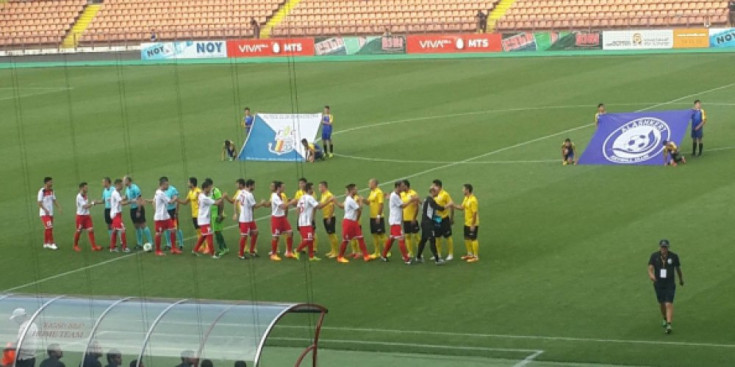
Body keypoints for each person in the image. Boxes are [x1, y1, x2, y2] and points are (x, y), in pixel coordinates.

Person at [647, 239, 684, 334]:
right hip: (658, 283)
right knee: (662, 303)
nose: (664, 248)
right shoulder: (654, 256)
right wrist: (651, 276)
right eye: (662, 247)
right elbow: (650, 268)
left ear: (668, 247)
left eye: (665, 247)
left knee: (668, 303)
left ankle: (669, 324)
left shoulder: (673, 256)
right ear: (660, 247)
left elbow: (678, 269)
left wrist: (680, 279)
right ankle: (664, 317)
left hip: (670, 283)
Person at [334, 184, 372, 263]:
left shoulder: (350, 199)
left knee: (360, 238)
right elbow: (359, 208)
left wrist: (356, 220)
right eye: (355, 189)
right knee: (346, 240)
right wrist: (361, 201)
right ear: (351, 191)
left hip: (353, 222)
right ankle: (340, 257)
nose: (357, 191)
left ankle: (366, 255)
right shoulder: (349, 200)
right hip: (348, 222)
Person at [382, 181, 418, 264]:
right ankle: (406, 258)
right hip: (395, 221)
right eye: (402, 186)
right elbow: (403, 206)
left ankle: (383, 255)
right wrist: (411, 200)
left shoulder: (396, 195)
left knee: (391, 238)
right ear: (398, 187)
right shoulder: (395, 196)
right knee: (401, 238)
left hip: (395, 220)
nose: (404, 188)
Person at [228, 179, 265, 259]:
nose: (254, 187)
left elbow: (235, 201)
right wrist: (262, 203)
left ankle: (251, 251)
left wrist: (235, 213)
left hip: (250, 219)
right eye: (254, 185)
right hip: (245, 219)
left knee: (255, 232)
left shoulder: (241, 192)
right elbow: (255, 206)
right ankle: (241, 254)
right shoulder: (249, 195)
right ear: (250, 185)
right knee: (244, 236)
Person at [295, 182, 331, 261]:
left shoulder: (302, 197)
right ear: (309, 189)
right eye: (312, 188)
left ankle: (311, 256)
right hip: (305, 222)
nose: (313, 190)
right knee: (308, 239)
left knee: (311, 239)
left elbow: (297, 209)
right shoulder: (309, 197)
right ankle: (297, 250)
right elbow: (319, 207)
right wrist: (329, 201)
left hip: (303, 221)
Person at [192, 180, 226, 259]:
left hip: (202, 219)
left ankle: (195, 250)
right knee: (209, 235)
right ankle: (212, 254)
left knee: (203, 236)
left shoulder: (201, 195)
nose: (211, 189)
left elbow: (207, 195)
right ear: (205, 188)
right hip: (204, 220)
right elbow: (217, 203)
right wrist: (223, 197)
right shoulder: (204, 198)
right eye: (209, 188)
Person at [147, 177, 180, 256]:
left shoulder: (158, 192)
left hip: (166, 216)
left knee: (173, 230)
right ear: (162, 185)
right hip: (160, 217)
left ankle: (173, 248)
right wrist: (175, 198)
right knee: (158, 233)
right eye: (166, 184)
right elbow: (170, 202)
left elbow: (154, 201)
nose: (168, 186)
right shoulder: (161, 194)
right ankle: (158, 251)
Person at [415, 186, 445, 265]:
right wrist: (448, 205)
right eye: (436, 191)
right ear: (432, 192)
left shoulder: (425, 199)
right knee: (432, 240)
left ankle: (418, 257)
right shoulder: (431, 200)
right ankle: (437, 259)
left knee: (423, 240)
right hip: (428, 223)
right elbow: (440, 208)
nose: (438, 193)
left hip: (424, 222)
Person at [451, 184, 480, 263]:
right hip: (467, 222)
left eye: (463, 189)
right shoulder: (466, 198)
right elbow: (462, 207)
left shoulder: (473, 200)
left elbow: (474, 213)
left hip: (472, 223)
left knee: (473, 238)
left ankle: (475, 256)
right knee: (467, 238)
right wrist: (453, 205)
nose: (462, 190)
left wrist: (473, 224)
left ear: (467, 190)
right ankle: (470, 254)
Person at [290, 178, 319, 252]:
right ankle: (301, 249)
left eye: (302, 183)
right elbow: (297, 205)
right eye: (300, 183)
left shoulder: (310, 194)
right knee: (306, 235)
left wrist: (313, 216)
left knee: (311, 234)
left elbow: (313, 206)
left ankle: (313, 248)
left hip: (309, 217)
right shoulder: (299, 193)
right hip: (304, 219)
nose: (301, 185)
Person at [268, 181, 294, 261]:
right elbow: (283, 206)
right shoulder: (275, 196)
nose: (284, 188)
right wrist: (291, 202)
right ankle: (273, 254)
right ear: (278, 188)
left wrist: (288, 201)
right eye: (283, 187)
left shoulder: (281, 195)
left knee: (290, 232)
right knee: (275, 236)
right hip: (276, 218)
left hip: (282, 217)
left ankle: (288, 252)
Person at [124, 176, 152, 250]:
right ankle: (139, 243)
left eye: (124, 180)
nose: (123, 182)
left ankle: (151, 242)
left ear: (128, 181)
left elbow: (139, 199)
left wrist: (139, 210)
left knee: (143, 225)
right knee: (136, 226)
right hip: (132, 209)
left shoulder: (135, 188)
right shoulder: (127, 188)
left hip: (138, 208)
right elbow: (126, 197)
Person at [74, 182, 102, 252]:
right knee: (79, 231)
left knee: (91, 230)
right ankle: (75, 245)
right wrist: (93, 203)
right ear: (81, 188)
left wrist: (92, 203)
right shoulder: (79, 197)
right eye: (85, 187)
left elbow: (87, 205)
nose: (87, 188)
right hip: (80, 217)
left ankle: (94, 247)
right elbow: (85, 206)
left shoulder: (85, 195)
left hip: (87, 216)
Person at [432, 179, 454, 260]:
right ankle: (438, 254)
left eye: (434, 185)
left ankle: (451, 254)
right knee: (437, 237)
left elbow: (451, 204)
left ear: (438, 186)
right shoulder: (434, 194)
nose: (432, 187)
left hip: (444, 218)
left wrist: (452, 217)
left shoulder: (445, 194)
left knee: (448, 236)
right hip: (436, 218)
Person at [207, 178, 229, 256]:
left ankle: (222, 249)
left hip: (216, 214)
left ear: (210, 184)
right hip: (213, 214)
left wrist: (220, 214)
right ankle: (224, 248)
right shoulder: (209, 192)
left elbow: (221, 202)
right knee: (217, 232)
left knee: (217, 232)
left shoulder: (215, 191)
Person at [38, 176, 61, 250]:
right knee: (49, 227)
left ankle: (46, 243)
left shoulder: (51, 191)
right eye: (50, 182)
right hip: (44, 214)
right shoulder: (42, 191)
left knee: (48, 228)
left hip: (50, 213)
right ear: (46, 183)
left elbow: (54, 200)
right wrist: (45, 210)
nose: (52, 183)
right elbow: (39, 202)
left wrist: (58, 207)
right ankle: (52, 243)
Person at [365, 178, 386, 259]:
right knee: (374, 234)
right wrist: (363, 200)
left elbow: (381, 204)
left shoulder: (379, 192)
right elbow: (368, 203)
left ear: (374, 184)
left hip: (378, 217)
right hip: (372, 216)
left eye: (370, 183)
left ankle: (387, 251)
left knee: (381, 234)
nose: (368, 184)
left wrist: (378, 216)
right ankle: (377, 252)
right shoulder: (372, 192)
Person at [177, 177, 202, 243]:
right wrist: (177, 200)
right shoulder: (190, 192)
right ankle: (202, 246)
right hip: (194, 215)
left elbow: (203, 201)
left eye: (188, 182)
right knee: (198, 230)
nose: (187, 183)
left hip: (199, 214)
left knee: (202, 230)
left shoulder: (198, 191)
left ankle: (207, 247)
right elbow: (185, 202)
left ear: (192, 183)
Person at [318, 182, 340, 258]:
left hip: (330, 217)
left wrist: (330, 217)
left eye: (320, 187)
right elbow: (320, 205)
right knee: (329, 235)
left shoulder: (329, 195)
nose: (319, 189)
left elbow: (332, 207)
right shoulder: (323, 195)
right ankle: (333, 250)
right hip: (325, 216)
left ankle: (336, 252)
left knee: (332, 234)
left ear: (324, 187)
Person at [401, 180, 420, 258]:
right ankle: (410, 252)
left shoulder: (413, 194)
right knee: (407, 236)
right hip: (405, 219)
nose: (401, 187)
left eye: (403, 186)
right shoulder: (401, 194)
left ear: (406, 186)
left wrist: (414, 218)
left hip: (412, 219)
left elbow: (416, 207)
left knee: (416, 235)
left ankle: (420, 252)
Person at [109, 179, 130, 252]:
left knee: (115, 230)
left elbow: (120, 200)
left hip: (116, 213)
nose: (122, 186)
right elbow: (122, 203)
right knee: (123, 229)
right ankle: (124, 248)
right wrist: (130, 201)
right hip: (116, 214)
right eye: (121, 184)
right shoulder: (115, 193)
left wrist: (125, 198)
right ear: (117, 185)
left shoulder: (118, 192)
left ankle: (112, 247)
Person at [164, 181, 184, 250]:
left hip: (172, 211)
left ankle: (181, 244)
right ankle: (168, 244)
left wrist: (176, 212)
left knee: (176, 227)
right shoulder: (161, 191)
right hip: (165, 211)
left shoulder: (173, 190)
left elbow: (177, 201)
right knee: (166, 228)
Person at [101, 177, 119, 248]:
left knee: (116, 226)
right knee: (109, 226)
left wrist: (111, 199)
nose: (102, 183)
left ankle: (120, 241)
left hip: (113, 209)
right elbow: (103, 201)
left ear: (107, 182)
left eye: (103, 182)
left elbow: (118, 198)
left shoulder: (113, 189)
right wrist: (95, 202)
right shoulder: (104, 190)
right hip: (107, 210)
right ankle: (113, 243)